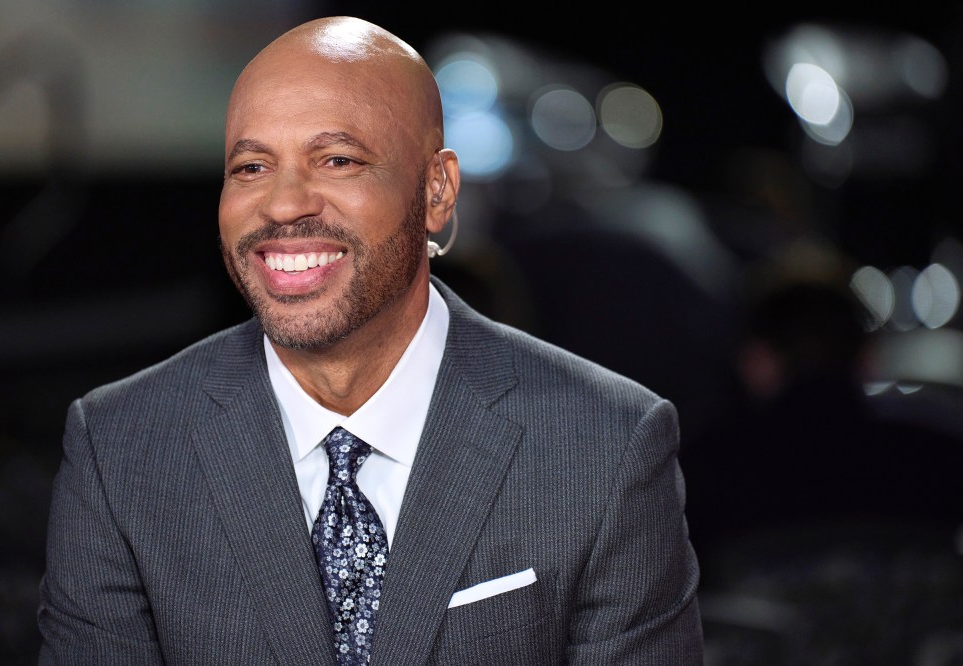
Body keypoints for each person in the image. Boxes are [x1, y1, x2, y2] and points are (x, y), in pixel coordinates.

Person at [36, 16, 703, 665]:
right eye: (250, 167)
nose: (284, 203)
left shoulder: (605, 446)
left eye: (337, 159)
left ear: (436, 190)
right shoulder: (120, 448)